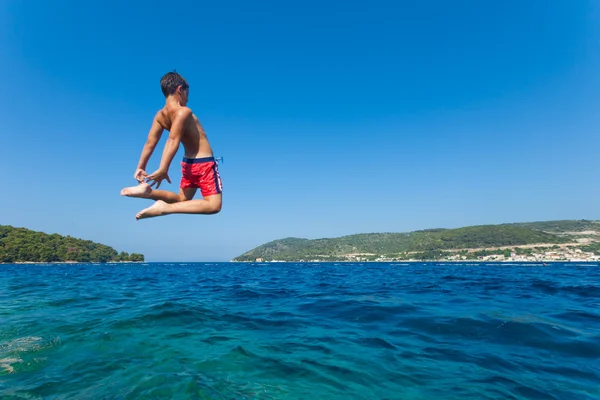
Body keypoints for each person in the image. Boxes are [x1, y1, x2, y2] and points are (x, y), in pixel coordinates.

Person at [121, 71, 223, 220]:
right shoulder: (184, 112)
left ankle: (148, 192)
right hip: (204, 164)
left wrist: (140, 167)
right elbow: (172, 139)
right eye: (187, 93)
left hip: (188, 165)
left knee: (181, 199)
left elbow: (150, 143)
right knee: (214, 206)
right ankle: (164, 208)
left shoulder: (160, 115)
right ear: (180, 89)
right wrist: (163, 168)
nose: (188, 99)